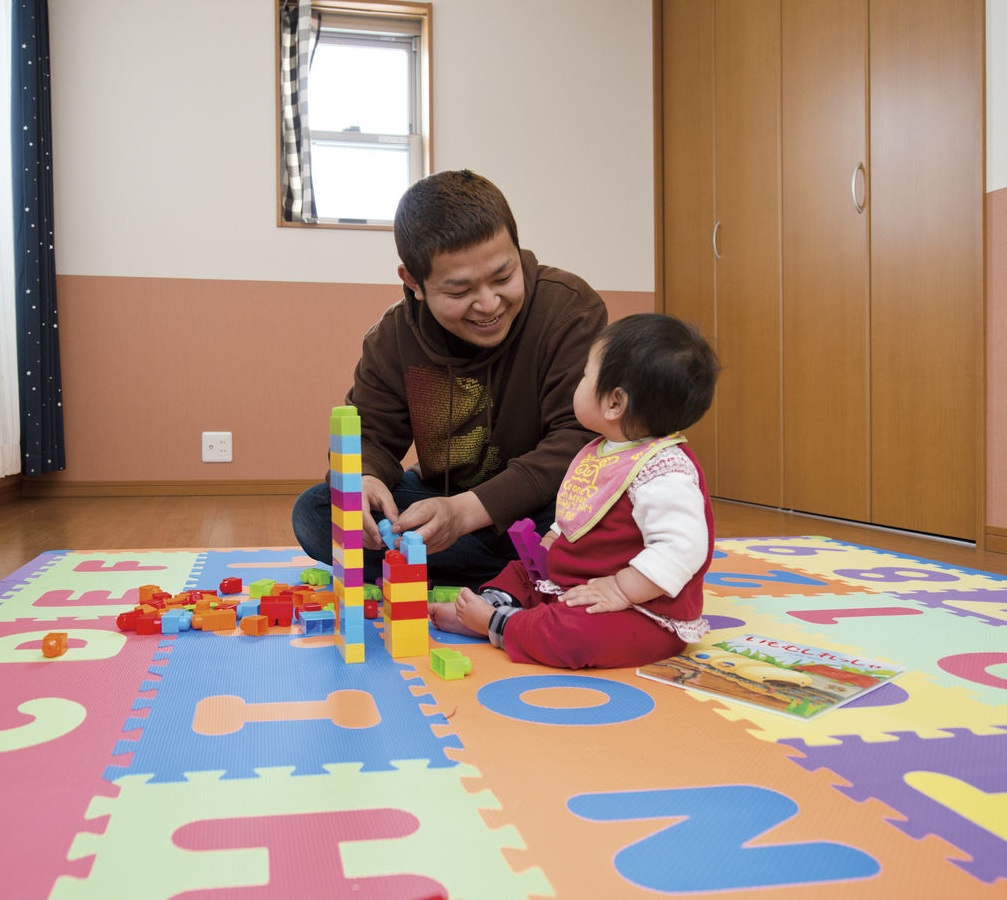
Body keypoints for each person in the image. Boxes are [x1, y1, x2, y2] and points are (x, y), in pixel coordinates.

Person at [291, 170, 609, 588]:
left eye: (503, 277)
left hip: (551, 506)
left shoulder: (569, 309)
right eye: (459, 292)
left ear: (517, 248)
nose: (489, 304)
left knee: (610, 521)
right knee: (316, 512)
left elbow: (577, 439)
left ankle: (520, 568)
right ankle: (530, 575)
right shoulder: (393, 337)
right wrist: (364, 481)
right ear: (413, 282)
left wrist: (467, 512)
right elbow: (369, 436)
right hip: (450, 506)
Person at [428, 313, 720, 670]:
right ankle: (496, 603)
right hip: (573, 581)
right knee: (522, 570)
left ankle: (498, 623)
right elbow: (580, 508)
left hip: (640, 609)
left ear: (615, 403)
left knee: (579, 634)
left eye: (586, 375)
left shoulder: (665, 473)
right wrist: (552, 539)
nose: (578, 383)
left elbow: (682, 549)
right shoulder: (605, 449)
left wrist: (621, 589)